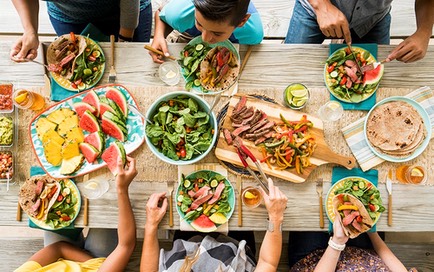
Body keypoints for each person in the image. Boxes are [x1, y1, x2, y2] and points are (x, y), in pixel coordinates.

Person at [14, 157, 138, 272]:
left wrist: (88, 262)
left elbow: (59, 248)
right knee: (107, 208)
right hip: (100, 264)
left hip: (69, 257)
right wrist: (122, 189)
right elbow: (126, 245)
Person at [140, 178, 288, 271]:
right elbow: (267, 263)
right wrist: (276, 216)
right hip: (236, 244)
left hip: (187, 242)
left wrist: (151, 225)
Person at [284, 0, 434, 63]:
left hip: (372, 18)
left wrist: (424, 32)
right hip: (313, 11)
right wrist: (321, 5)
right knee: (288, 67)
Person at [10, 0, 153, 62]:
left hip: (125, 13)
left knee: (132, 64)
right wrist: (30, 31)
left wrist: (125, 40)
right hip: (68, 16)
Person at [288, 210, 413, 271]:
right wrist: (371, 232)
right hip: (364, 250)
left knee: (308, 201)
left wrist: (337, 243)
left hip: (313, 259)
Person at [149, 0, 264, 63]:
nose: (205, 39)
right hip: (185, 36)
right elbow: (160, 13)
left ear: (242, 22)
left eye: (217, 33)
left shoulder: (253, 34)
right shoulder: (179, 14)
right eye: (199, 23)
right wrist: (159, 36)